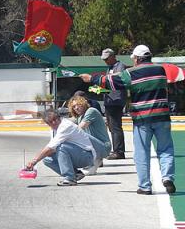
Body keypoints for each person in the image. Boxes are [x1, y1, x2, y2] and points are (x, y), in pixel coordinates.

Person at [79, 45, 176, 195]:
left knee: (142, 152)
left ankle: (145, 186)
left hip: (142, 119)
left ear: (137, 58)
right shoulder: (160, 70)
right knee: (166, 149)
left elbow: (112, 82)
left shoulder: (132, 73)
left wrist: (91, 78)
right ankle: (167, 177)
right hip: (162, 116)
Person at [25, 109, 109, 186]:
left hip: (86, 156)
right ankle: (75, 174)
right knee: (47, 159)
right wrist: (40, 157)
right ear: (48, 123)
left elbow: (51, 147)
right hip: (76, 154)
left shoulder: (65, 126)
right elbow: (50, 148)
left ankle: (70, 178)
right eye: (51, 121)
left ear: (59, 117)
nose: (54, 122)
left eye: (55, 119)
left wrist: (34, 161)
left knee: (61, 148)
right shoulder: (54, 129)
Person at [68, 96, 111, 175]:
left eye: (78, 105)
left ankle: (96, 159)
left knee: (78, 135)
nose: (76, 108)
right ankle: (92, 161)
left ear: (83, 104)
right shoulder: (80, 117)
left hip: (104, 146)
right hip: (94, 147)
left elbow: (79, 129)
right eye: (74, 107)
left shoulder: (91, 111)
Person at [100, 48, 127, 160]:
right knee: (111, 127)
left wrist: (103, 79)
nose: (105, 61)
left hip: (116, 101)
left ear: (112, 56)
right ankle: (116, 150)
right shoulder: (109, 68)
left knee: (116, 127)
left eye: (107, 59)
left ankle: (119, 152)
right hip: (109, 100)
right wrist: (101, 88)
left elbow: (118, 77)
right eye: (104, 59)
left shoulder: (120, 66)